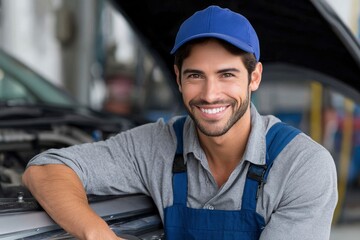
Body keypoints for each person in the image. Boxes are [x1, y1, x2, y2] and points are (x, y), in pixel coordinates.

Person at [23, 5, 338, 240]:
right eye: (195, 76)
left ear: (254, 77)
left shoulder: (302, 165)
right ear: (178, 78)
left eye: (226, 75)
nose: (210, 94)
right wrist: (97, 233)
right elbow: (46, 170)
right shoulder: (155, 145)